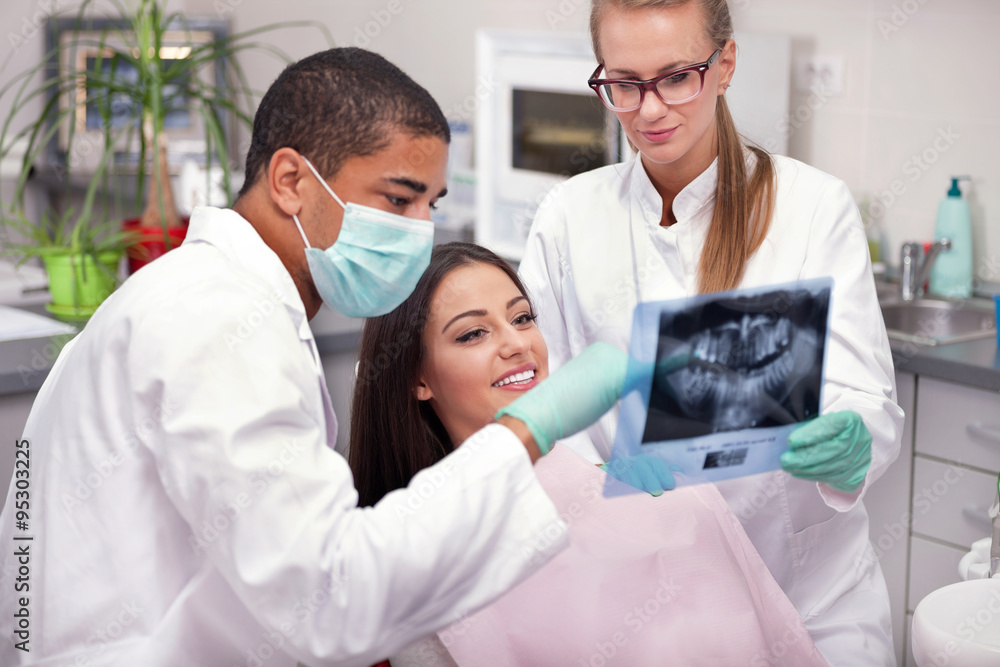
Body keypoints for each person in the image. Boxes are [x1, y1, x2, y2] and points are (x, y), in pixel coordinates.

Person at [0, 48, 627, 666]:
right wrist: (529, 427)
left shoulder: (217, 301)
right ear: (292, 181)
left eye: (429, 205)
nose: (419, 231)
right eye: (398, 200)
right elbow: (327, 602)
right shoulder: (214, 319)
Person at [517, 1, 905, 665]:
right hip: (646, 596)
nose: (649, 110)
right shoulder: (568, 216)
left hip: (811, 597)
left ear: (724, 65)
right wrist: (593, 475)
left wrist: (849, 439)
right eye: (624, 82)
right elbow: (542, 396)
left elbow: (861, 393)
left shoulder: (811, 206)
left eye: (675, 77)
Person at [349, 242, 829, 666]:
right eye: (473, 334)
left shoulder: (618, 483)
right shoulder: (415, 553)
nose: (518, 344)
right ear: (418, 378)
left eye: (522, 318)